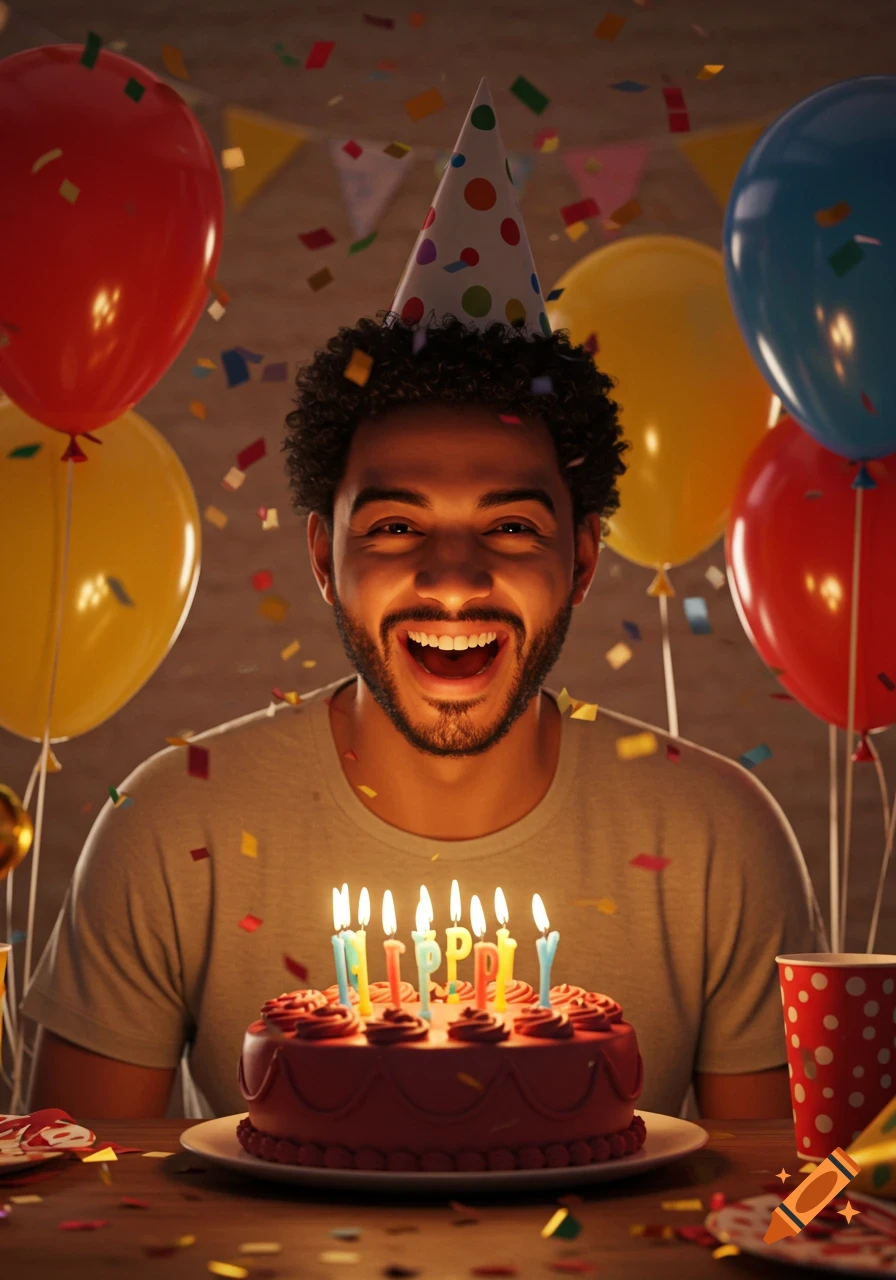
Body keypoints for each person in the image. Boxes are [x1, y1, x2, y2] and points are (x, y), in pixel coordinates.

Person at [24, 80, 825, 1123]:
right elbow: (73, 1216)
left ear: (583, 560)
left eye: (509, 526)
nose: (453, 577)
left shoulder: (721, 838)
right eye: (396, 526)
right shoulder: (171, 824)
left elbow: (780, 1206)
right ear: (323, 558)